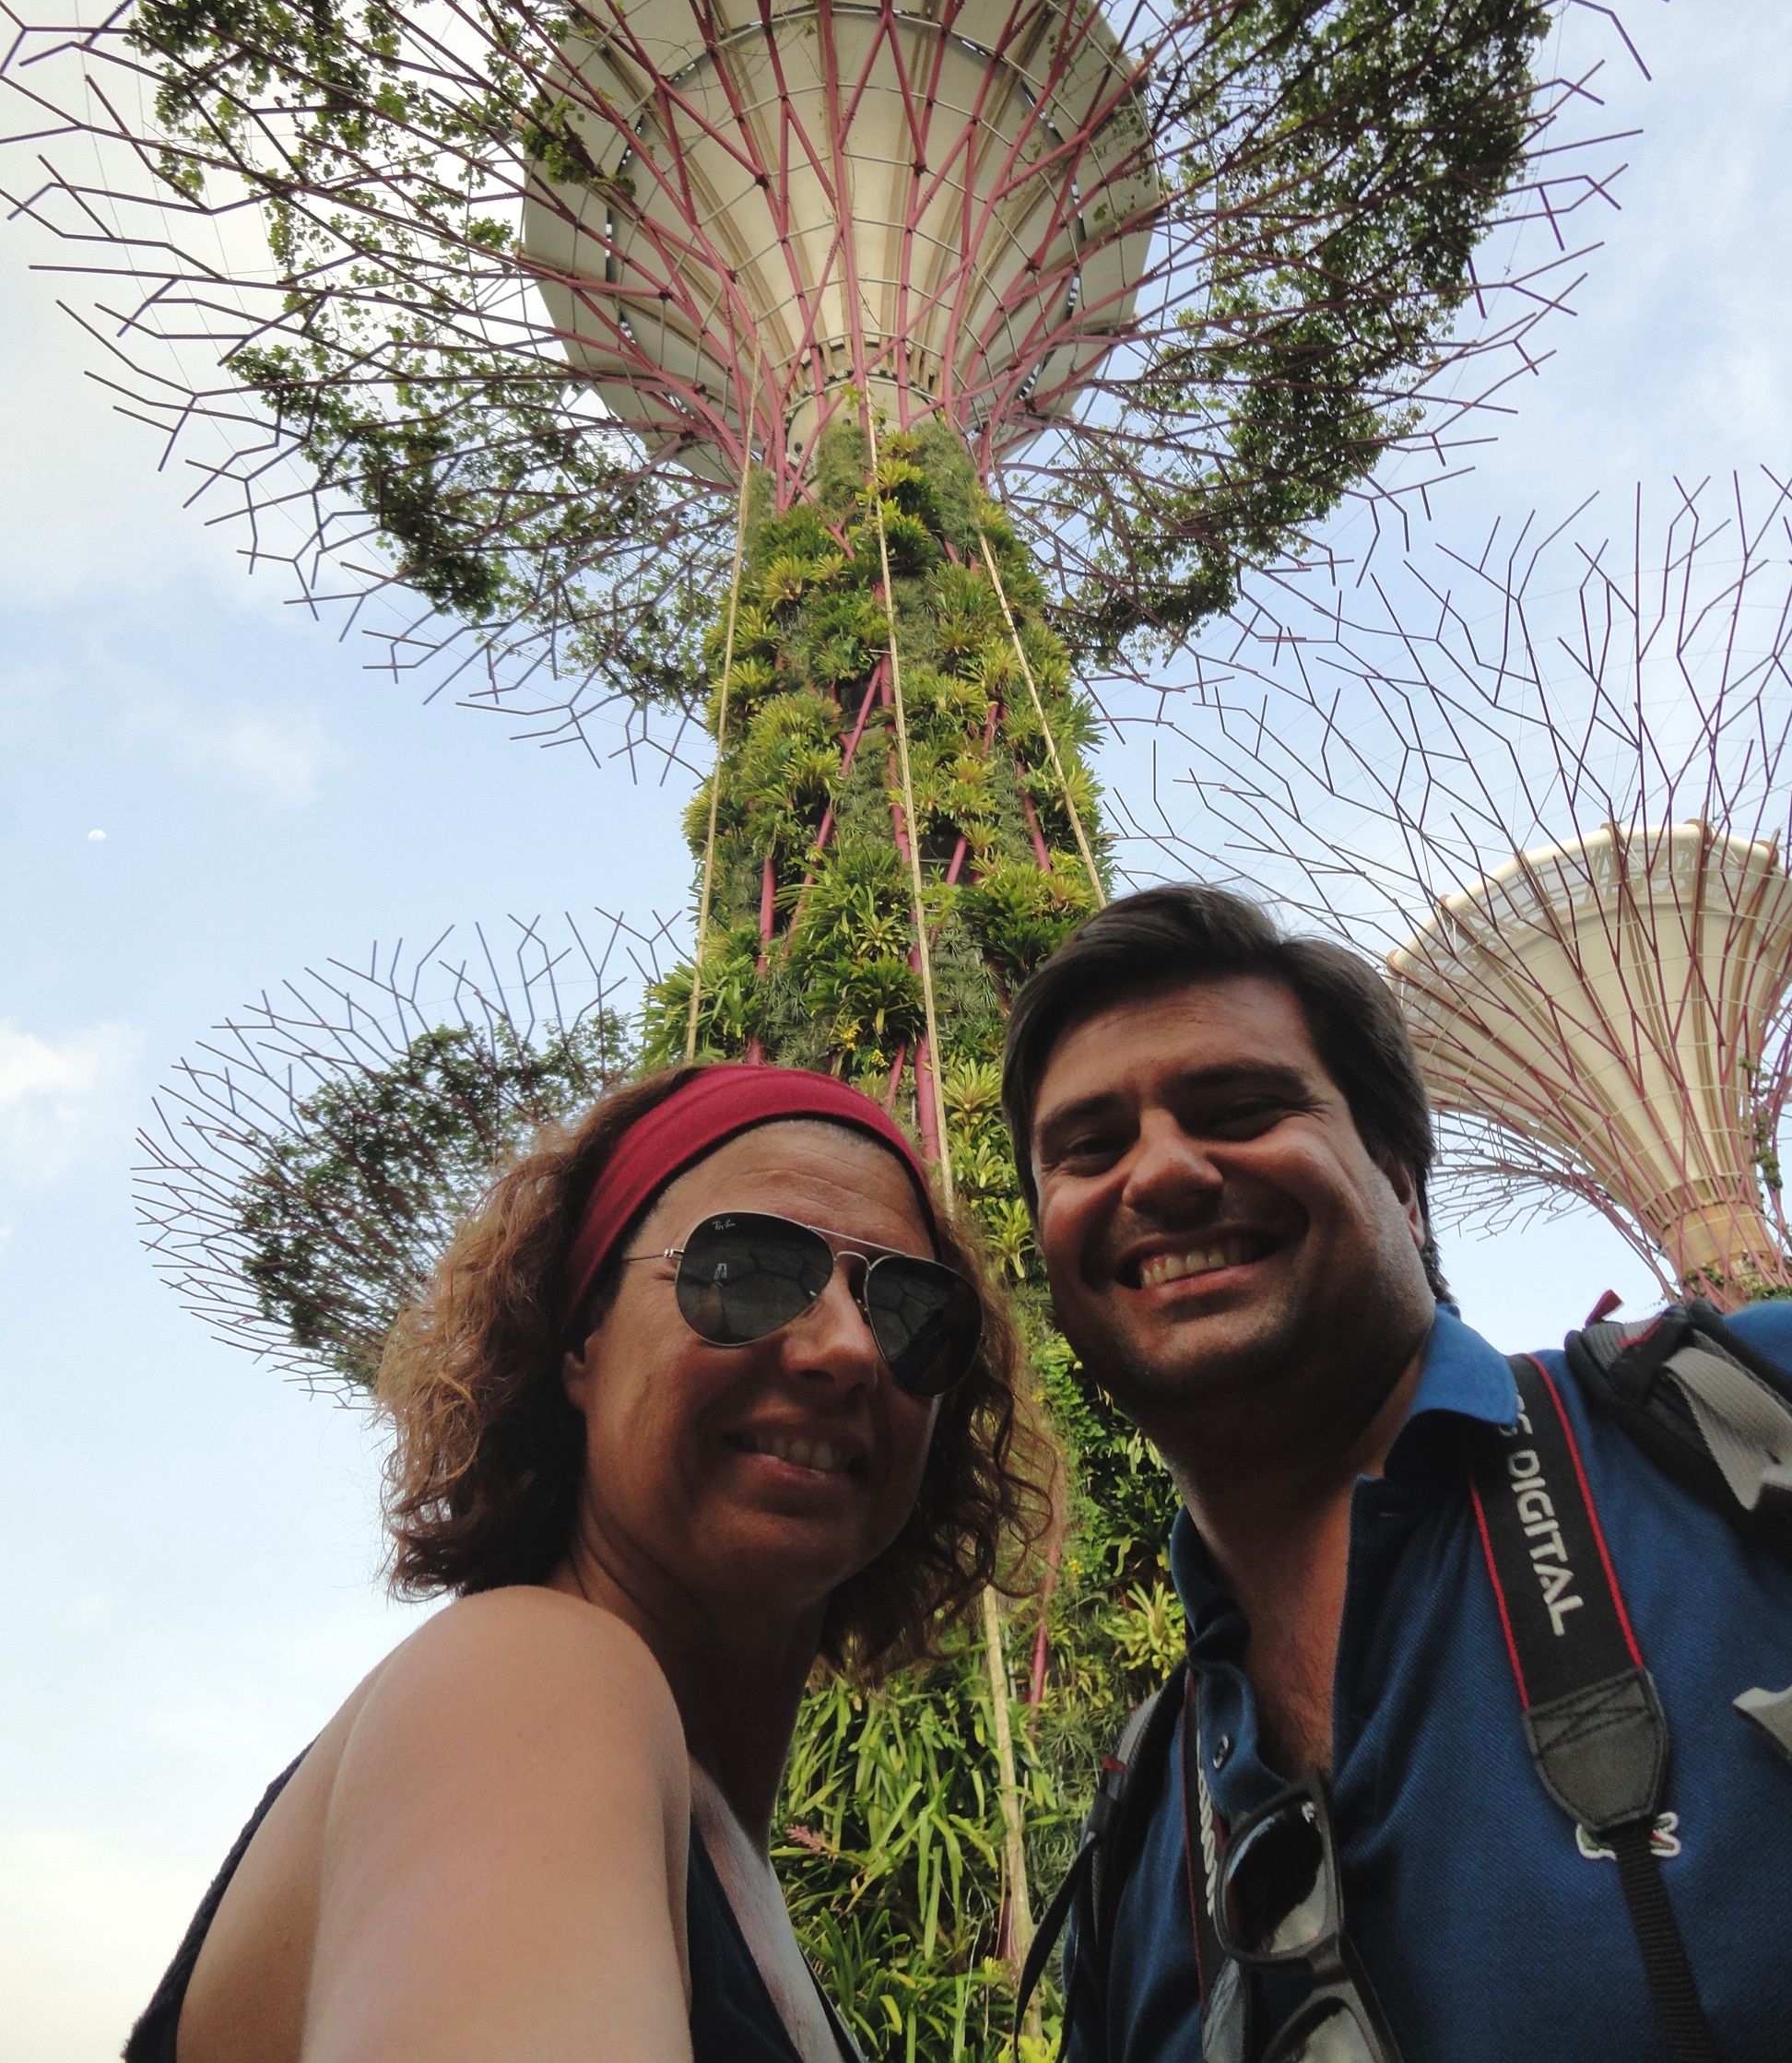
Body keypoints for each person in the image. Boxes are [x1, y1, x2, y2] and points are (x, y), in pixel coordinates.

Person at [1000, 883, 1792, 2063]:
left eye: (1240, 1108)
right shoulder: (1141, 1844)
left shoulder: (1742, 1429)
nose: (1159, 1174)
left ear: (1404, 1187)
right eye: (1089, 1149)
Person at [127, 1060, 1051, 2063]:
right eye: (744, 1272)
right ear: (583, 1340)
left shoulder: (713, 1857)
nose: (849, 1350)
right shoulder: (533, 1678)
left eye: (909, 1308)